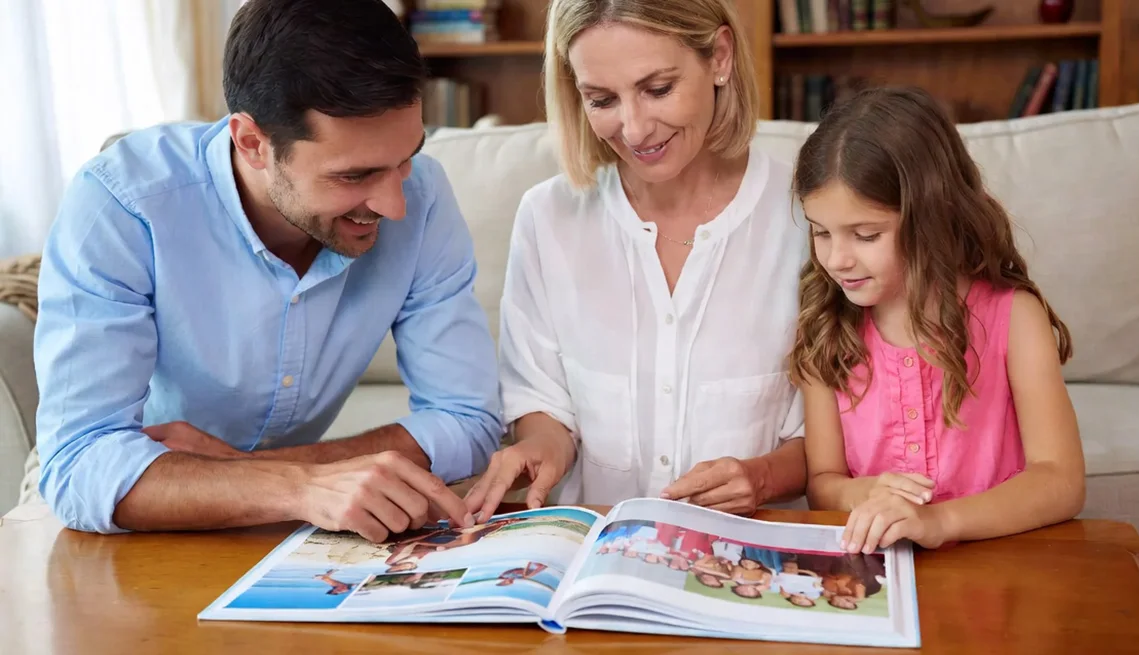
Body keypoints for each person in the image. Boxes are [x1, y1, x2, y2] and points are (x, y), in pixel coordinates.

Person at [32, 0, 502, 542]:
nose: (395, 205)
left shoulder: (422, 197)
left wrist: (274, 477)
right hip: (120, 522)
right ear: (252, 143)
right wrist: (298, 486)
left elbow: (469, 420)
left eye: (406, 158)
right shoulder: (122, 204)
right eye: (354, 175)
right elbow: (80, 466)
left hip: (285, 521)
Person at [464, 0, 808, 521]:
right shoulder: (547, 217)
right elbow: (541, 400)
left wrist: (762, 477)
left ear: (719, 57)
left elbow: (839, 437)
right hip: (591, 558)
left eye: (658, 89)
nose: (634, 128)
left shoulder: (808, 218)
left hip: (750, 560)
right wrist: (545, 445)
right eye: (601, 99)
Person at [787, 87, 1087, 555]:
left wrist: (937, 520)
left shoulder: (1013, 317)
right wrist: (864, 494)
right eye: (820, 232)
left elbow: (1061, 480)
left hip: (1000, 567)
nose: (837, 259)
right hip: (881, 577)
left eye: (866, 235)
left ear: (933, 218)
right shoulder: (826, 325)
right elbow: (823, 481)